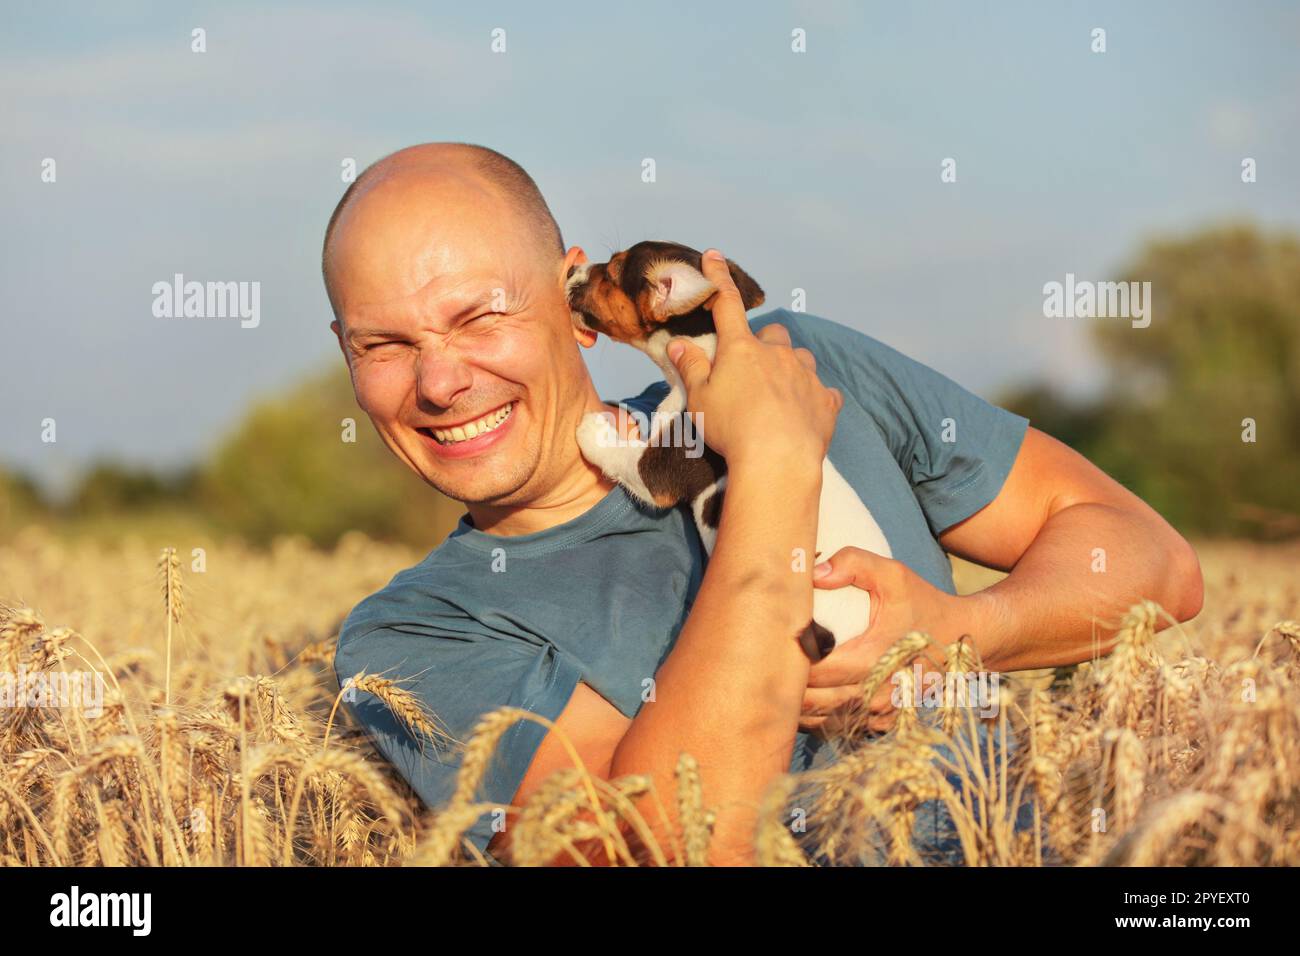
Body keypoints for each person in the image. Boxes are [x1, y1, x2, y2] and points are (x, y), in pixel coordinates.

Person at [322, 142, 1203, 865]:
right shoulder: (412, 637)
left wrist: (968, 633)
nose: (440, 381)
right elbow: (659, 849)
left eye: (480, 318)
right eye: (385, 343)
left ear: (577, 301)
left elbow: (1154, 563)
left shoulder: (804, 363)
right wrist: (777, 465)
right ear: (346, 354)